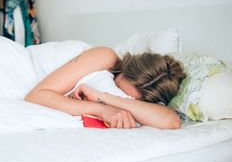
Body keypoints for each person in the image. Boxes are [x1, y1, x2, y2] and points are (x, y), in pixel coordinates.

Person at [24, 47, 186, 129]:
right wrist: (100, 109)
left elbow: (171, 121)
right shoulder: (105, 56)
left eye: (130, 99)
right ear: (123, 71)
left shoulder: (147, 92)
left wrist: (104, 98)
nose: (123, 97)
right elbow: (36, 96)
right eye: (119, 88)